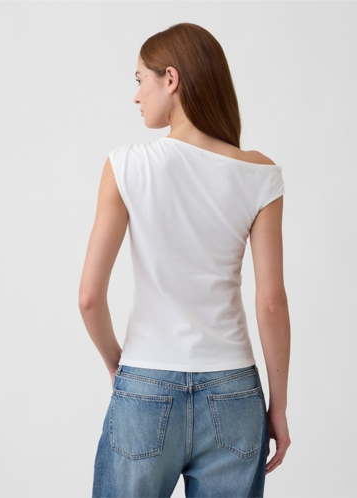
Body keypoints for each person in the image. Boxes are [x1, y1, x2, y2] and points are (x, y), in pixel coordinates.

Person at [79, 22, 291, 498]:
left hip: (145, 382)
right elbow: (271, 303)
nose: (136, 95)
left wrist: (119, 366)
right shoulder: (260, 174)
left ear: (170, 79)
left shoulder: (126, 165)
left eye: (140, 79)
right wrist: (277, 408)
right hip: (235, 392)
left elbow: (89, 297)